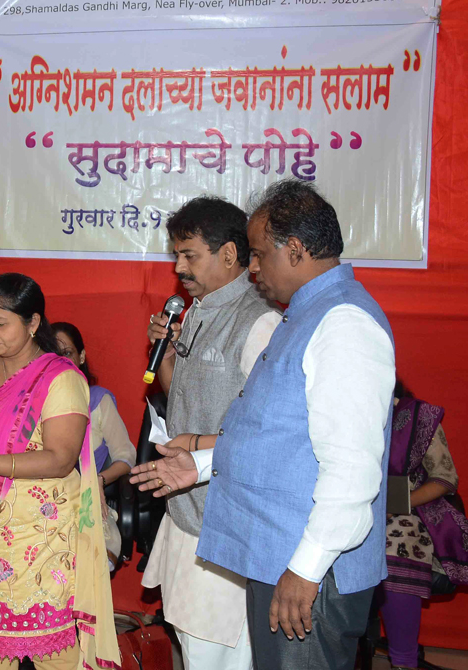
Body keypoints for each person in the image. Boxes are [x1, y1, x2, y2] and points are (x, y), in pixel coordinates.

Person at [132, 180, 395, 670]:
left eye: (257, 254)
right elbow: (276, 437)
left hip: (309, 574)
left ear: (294, 250)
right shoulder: (306, 316)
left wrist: (305, 569)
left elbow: (353, 472)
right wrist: (202, 465)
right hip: (282, 561)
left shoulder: (344, 325)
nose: (251, 269)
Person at [0, 273, 120, 670]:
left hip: (42, 540)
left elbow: (60, 458)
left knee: (55, 656)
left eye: (1, 323)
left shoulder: (61, 378)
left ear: (33, 322)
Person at [138, 197, 280, 669]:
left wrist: (199, 448)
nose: (178, 267)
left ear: (229, 255)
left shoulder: (260, 322)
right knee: (192, 644)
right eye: (175, 255)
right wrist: (168, 356)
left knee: (222, 654)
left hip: (227, 521)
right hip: (185, 510)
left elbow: (269, 432)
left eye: (189, 255)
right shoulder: (195, 311)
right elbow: (181, 396)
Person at [377, 381, 467, 670]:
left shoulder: (417, 417)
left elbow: (444, 478)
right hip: (349, 508)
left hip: (409, 511)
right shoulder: (342, 413)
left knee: (394, 544)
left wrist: (396, 504)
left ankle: (403, 660)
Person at [50, 322, 134, 570]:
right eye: (52, 356)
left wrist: (99, 479)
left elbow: (127, 456)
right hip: (44, 504)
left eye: (67, 354)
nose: (61, 363)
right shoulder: (34, 405)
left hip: (86, 504)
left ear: (82, 356)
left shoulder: (98, 400)